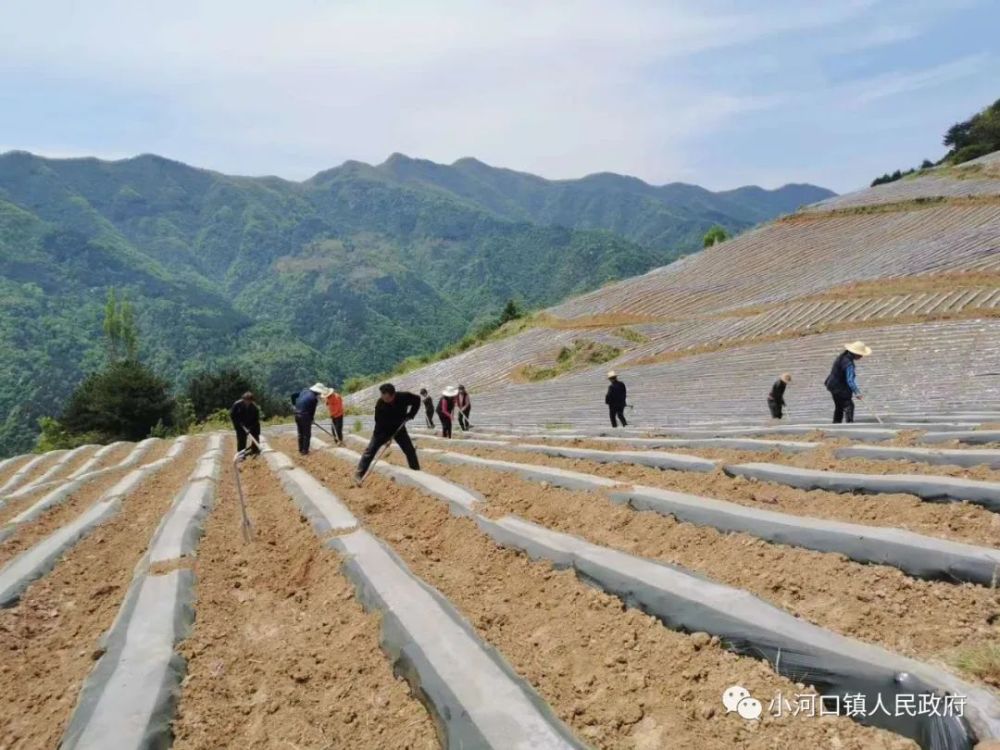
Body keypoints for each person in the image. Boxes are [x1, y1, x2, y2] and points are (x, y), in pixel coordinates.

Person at [355, 383, 421, 482]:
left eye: (386, 398)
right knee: (370, 451)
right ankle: (359, 474)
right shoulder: (380, 404)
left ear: (393, 395)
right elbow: (378, 422)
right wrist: (386, 438)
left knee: (409, 450)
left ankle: (416, 471)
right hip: (382, 430)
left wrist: (411, 415)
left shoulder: (404, 397)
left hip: (399, 427)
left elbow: (417, 400)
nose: (383, 399)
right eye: (382, 396)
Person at [825, 341, 871, 423]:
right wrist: (857, 392)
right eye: (861, 354)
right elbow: (850, 380)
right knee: (849, 406)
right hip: (838, 387)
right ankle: (849, 425)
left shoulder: (842, 357)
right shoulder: (849, 364)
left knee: (839, 407)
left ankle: (836, 424)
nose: (862, 356)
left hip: (832, 385)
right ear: (856, 353)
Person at [293, 383, 325, 455]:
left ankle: (300, 449)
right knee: (307, 434)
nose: (320, 394)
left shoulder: (304, 391)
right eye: (320, 392)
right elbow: (312, 411)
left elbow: (295, 397)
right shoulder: (314, 398)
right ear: (318, 391)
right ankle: (305, 451)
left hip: (296, 414)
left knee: (300, 433)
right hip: (304, 415)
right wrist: (311, 419)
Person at [230, 391, 261, 456]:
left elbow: (256, 420)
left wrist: (250, 428)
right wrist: (238, 424)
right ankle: (241, 454)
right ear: (243, 399)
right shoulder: (237, 405)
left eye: (249, 401)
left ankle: (255, 450)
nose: (247, 402)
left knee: (255, 436)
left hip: (252, 424)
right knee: (241, 439)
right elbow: (232, 416)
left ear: (252, 400)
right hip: (240, 425)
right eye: (246, 400)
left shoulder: (255, 408)